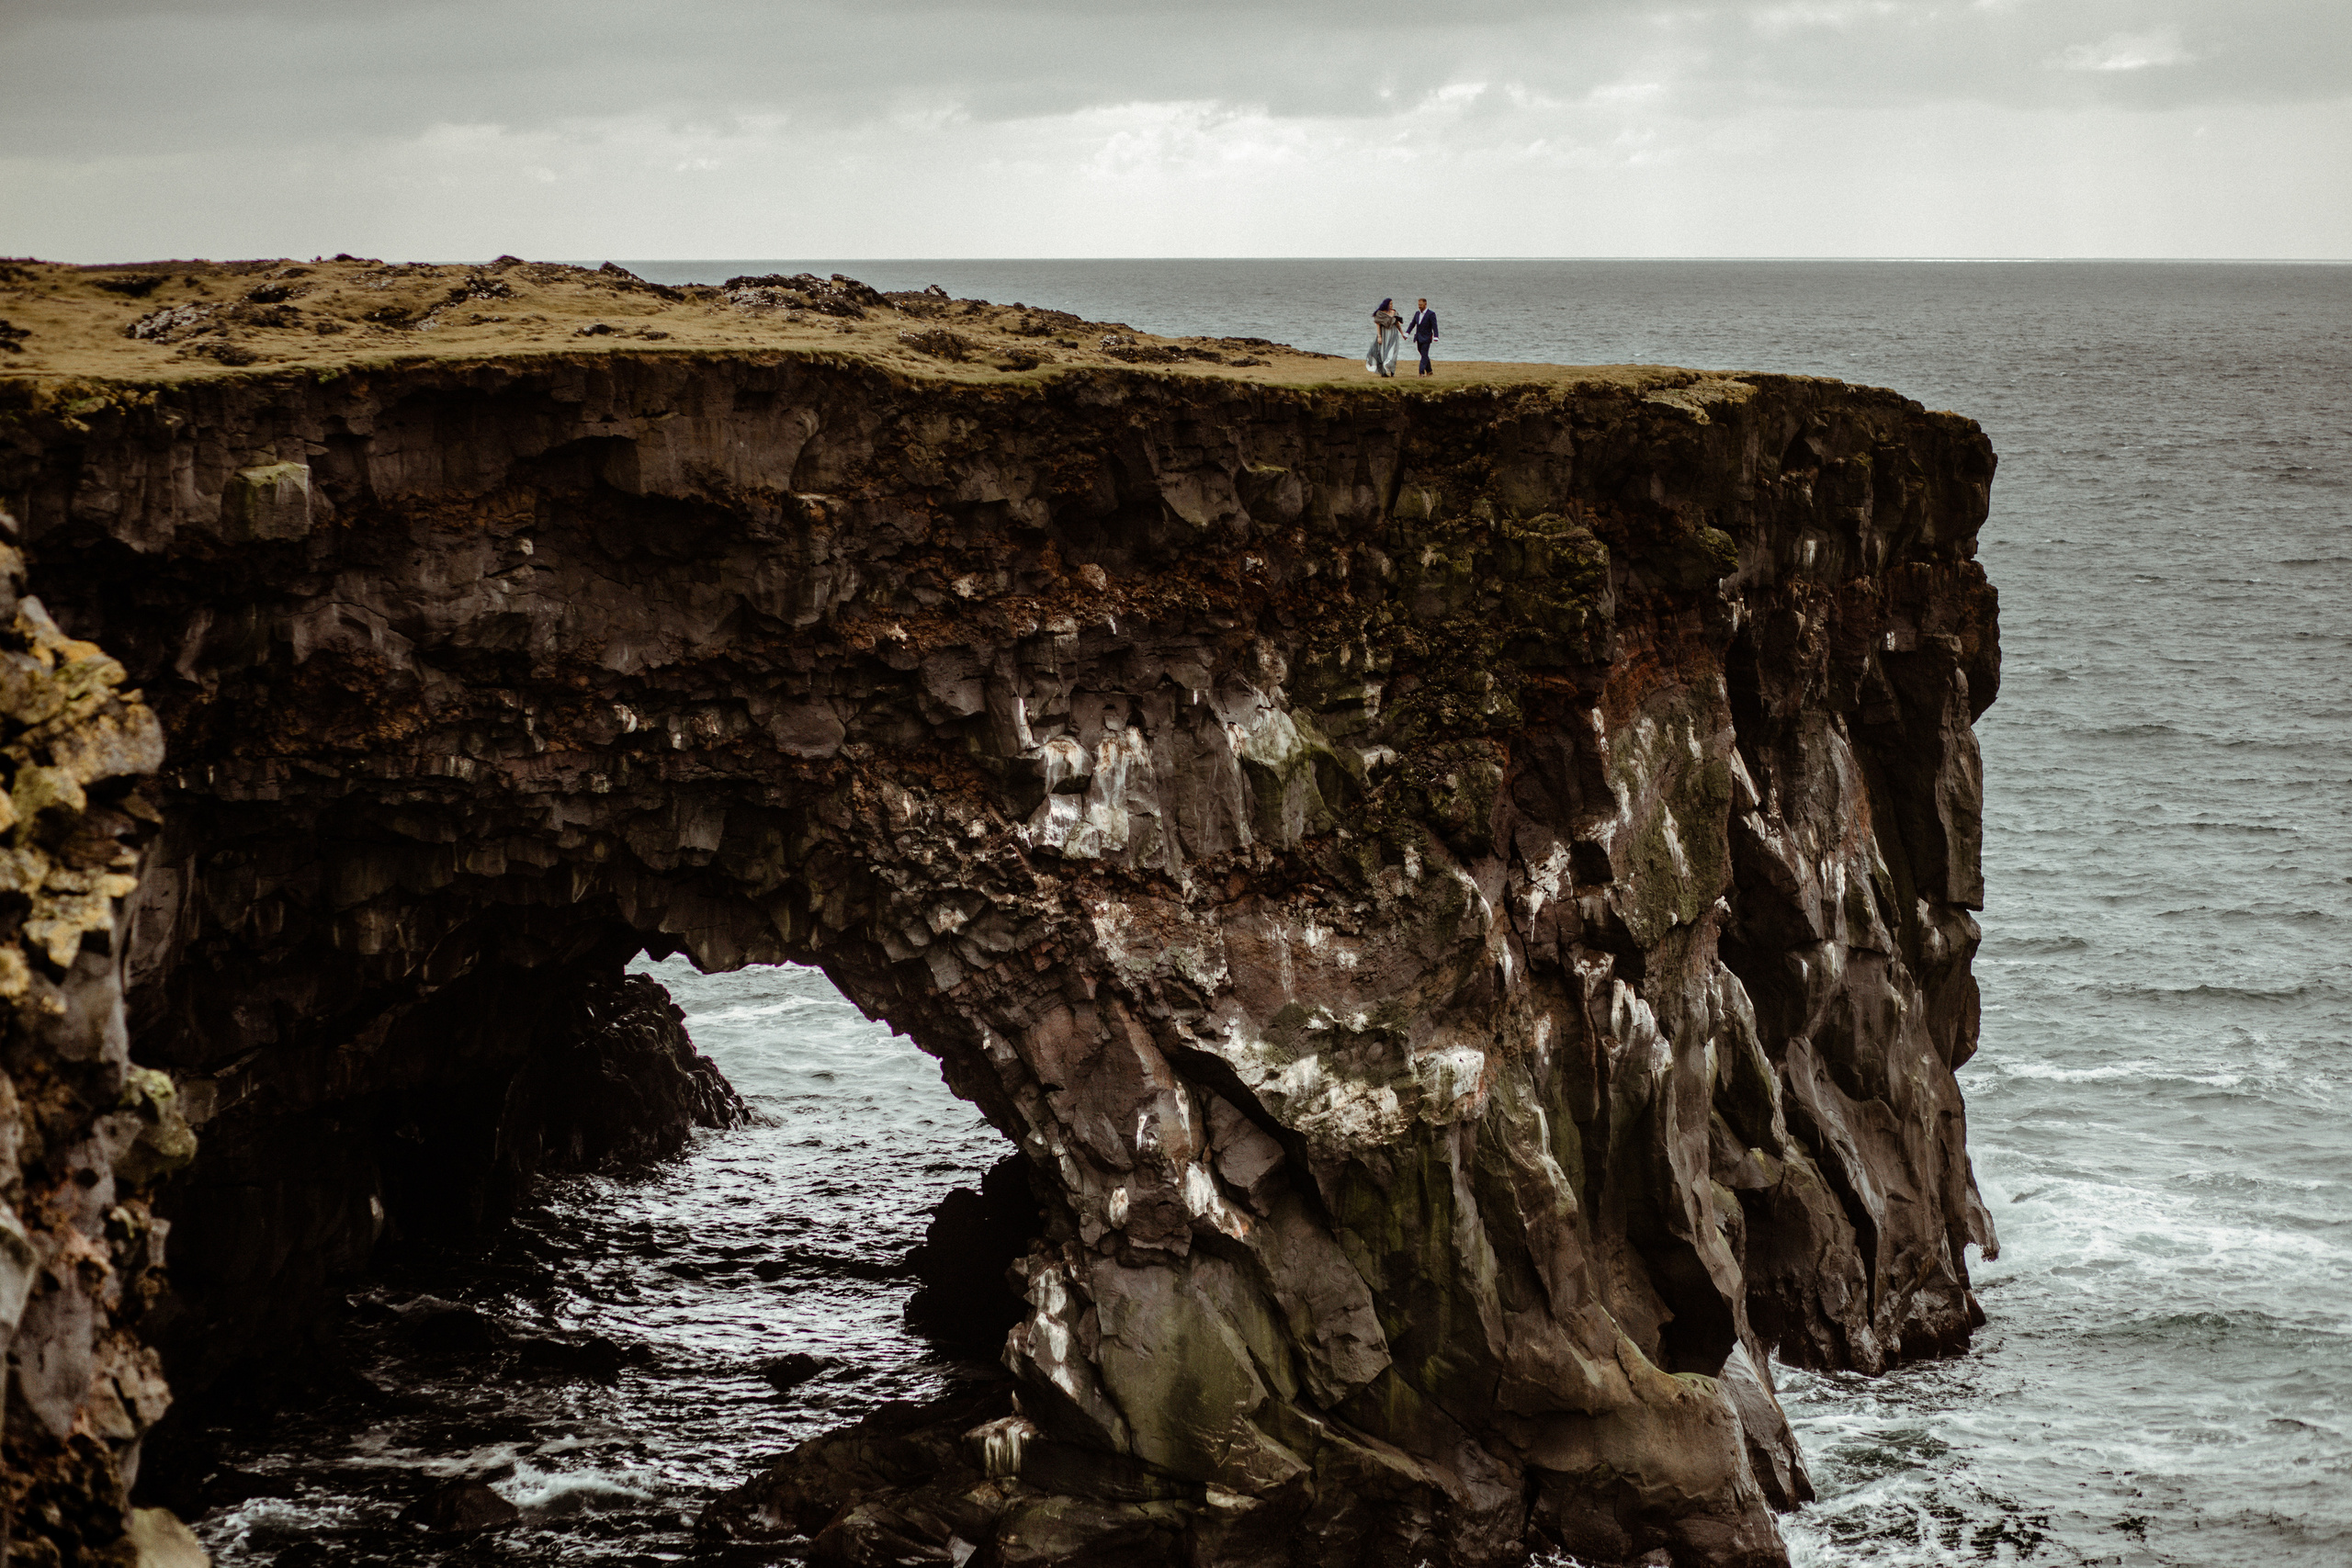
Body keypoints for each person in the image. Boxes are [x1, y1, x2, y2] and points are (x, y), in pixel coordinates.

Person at [1366, 299, 1404, 378]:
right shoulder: (1380, 314)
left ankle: (1392, 371)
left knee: (1393, 352)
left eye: (1392, 304)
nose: (1391, 305)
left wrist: (1402, 333)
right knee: (1382, 353)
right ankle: (1383, 372)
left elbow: (1397, 324)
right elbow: (1378, 325)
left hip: (1393, 335)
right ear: (1386, 304)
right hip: (1384, 335)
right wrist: (1379, 336)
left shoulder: (1394, 312)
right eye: (1390, 304)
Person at [1406, 298, 1439, 376]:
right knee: (1423, 353)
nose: (1419, 306)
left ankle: (1421, 372)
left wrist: (1436, 336)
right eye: (1418, 305)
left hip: (1427, 338)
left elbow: (1435, 326)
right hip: (1418, 337)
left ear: (1425, 304)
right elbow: (1412, 324)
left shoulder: (1431, 314)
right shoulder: (1417, 313)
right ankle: (1429, 371)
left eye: (1421, 305)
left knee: (1424, 354)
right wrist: (1407, 333)